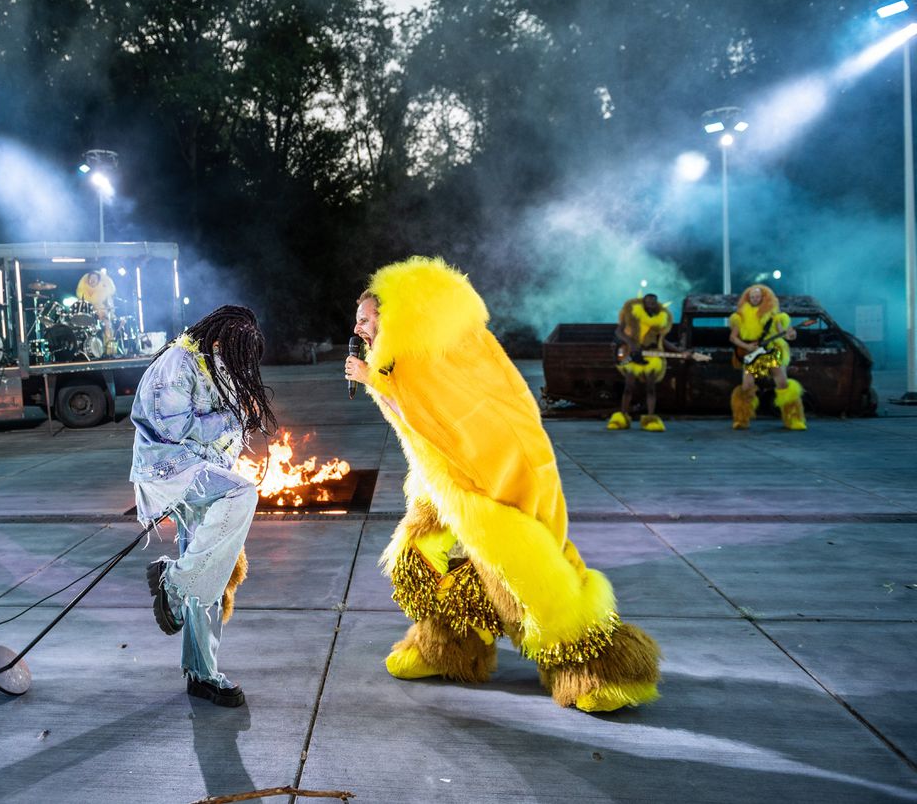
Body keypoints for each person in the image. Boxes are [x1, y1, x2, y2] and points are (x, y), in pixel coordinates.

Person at [345, 257, 660, 712]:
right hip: (447, 482)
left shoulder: (432, 357)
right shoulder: (425, 353)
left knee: (530, 578)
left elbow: (444, 419)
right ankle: (449, 648)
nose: (358, 327)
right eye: (358, 318)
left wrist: (373, 378)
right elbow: (421, 423)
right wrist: (379, 377)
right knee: (422, 558)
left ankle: (603, 668)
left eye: (366, 318)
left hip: (493, 479)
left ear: (396, 316)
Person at [130, 305, 277, 708]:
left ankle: (203, 673)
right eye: (234, 354)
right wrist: (227, 421)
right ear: (216, 341)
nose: (237, 365)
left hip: (202, 475)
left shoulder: (219, 366)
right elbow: (174, 428)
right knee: (242, 493)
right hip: (169, 471)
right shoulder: (177, 364)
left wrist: (232, 422)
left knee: (211, 574)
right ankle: (172, 582)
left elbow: (224, 433)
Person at [727, 284, 806, 431]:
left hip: (770, 350)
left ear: (764, 297)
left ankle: (794, 420)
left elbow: (784, 334)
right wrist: (747, 347)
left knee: (782, 383)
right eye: (752, 296)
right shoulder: (740, 316)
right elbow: (733, 338)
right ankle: (741, 420)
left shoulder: (774, 315)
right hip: (752, 352)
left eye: (757, 296)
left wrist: (791, 335)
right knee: (747, 386)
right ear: (747, 298)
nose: (755, 299)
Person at [608, 293, 682, 432]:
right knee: (628, 387)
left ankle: (650, 418)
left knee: (650, 387)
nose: (651, 304)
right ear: (644, 303)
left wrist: (679, 351)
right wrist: (630, 342)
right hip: (634, 355)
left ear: (656, 304)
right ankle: (622, 416)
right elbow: (619, 331)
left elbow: (663, 341)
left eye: (653, 302)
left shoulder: (660, 320)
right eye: (648, 302)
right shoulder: (632, 316)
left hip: (652, 356)